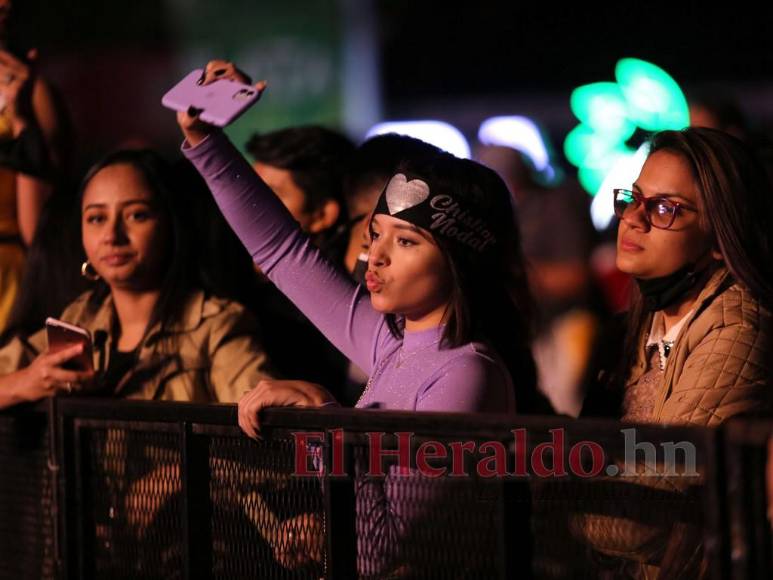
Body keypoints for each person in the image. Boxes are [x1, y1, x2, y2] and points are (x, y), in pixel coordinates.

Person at [176, 60, 547, 575]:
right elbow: (281, 250)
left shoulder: (465, 375)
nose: (375, 256)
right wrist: (205, 139)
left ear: (459, 261)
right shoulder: (391, 340)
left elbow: (379, 553)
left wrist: (328, 420)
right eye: (375, 234)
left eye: (407, 241)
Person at [578, 127, 773, 577]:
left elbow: (639, 520)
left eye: (666, 208)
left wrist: (544, 494)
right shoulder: (634, 324)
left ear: (720, 238)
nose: (633, 218)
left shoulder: (738, 329)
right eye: (634, 198)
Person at [0, 148, 273, 408]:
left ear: (170, 224)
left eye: (137, 215)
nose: (112, 236)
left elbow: (259, 408)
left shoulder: (216, 327)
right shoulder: (81, 319)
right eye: (96, 218)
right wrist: (25, 382)